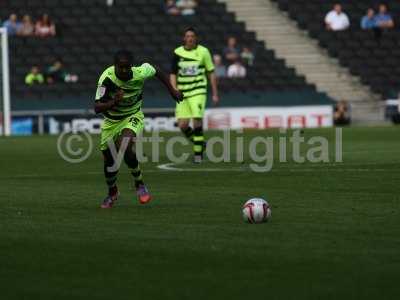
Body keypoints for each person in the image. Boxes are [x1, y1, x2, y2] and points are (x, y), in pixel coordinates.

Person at [95, 50, 183, 208]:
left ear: (131, 67)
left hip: (133, 116)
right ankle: (112, 192)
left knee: (125, 144)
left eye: (126, 67)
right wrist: (113, 102)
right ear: (114, 66)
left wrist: (172, 91)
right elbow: (97, 107)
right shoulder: (106, 78)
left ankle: (139, 183)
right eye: (120, 68)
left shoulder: (140, 73)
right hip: (111, 122)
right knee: (110, 162)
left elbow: (157, 70)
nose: (123, 71)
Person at [170, 27, 219, 163]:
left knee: (197, 119)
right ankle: (201, 143)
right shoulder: (177, 52)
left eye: (192, 36)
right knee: (182, 125)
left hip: (198, 91)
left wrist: (215, 93)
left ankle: (198, 155)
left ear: (196, 38)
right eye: (188, 36)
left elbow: (211, 72)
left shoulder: (203, 52)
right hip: (183, 93)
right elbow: (173, 74)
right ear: (184, 38)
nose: (190, 38)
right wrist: (174, 90)